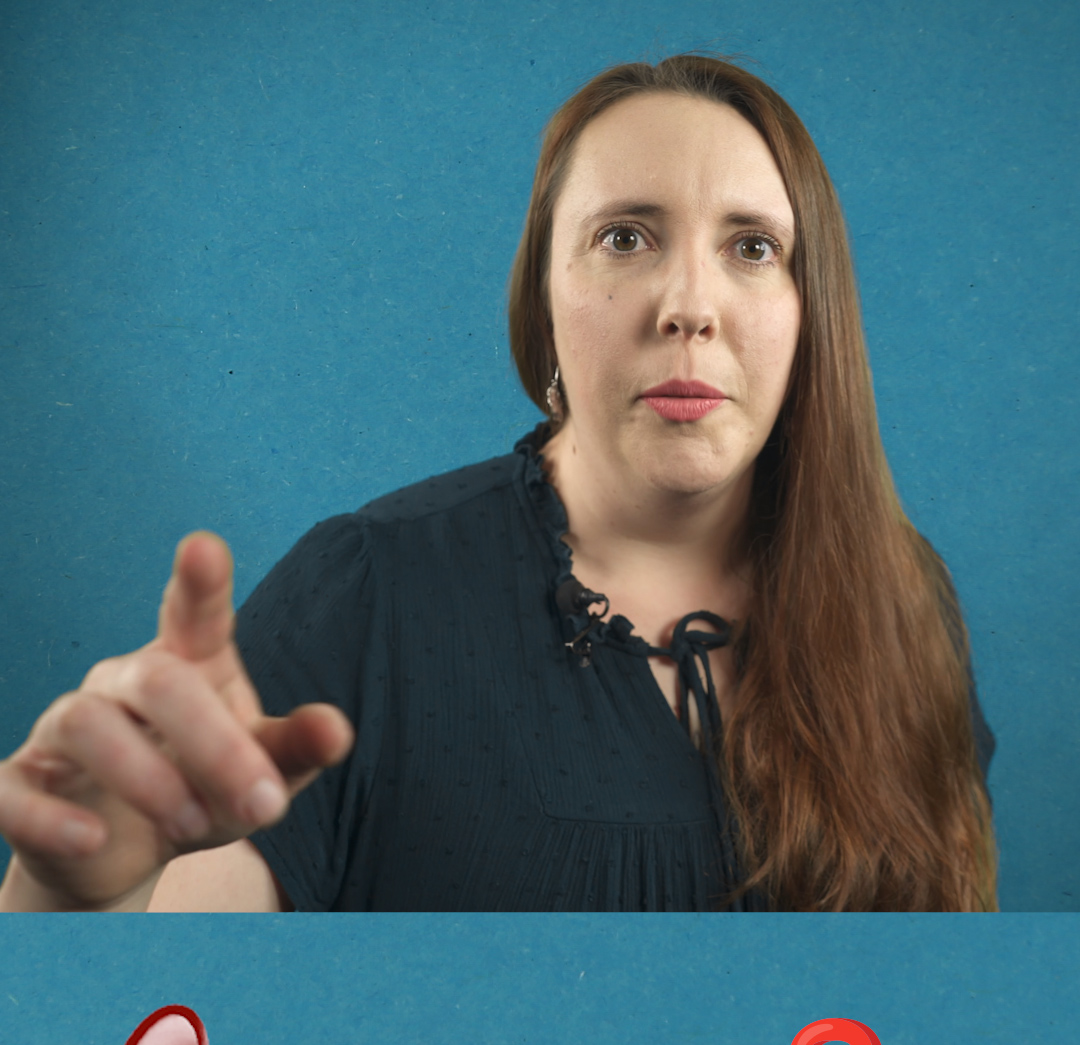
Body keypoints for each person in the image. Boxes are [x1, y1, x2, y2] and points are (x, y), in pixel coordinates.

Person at [0, 55, 997, 915]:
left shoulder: (907, 600)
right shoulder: (367, 597)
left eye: (753, 248)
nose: (691, 305)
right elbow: (146, 1028)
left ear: (808, 311)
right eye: (624, 237)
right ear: (543, 301)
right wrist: (74, 897)